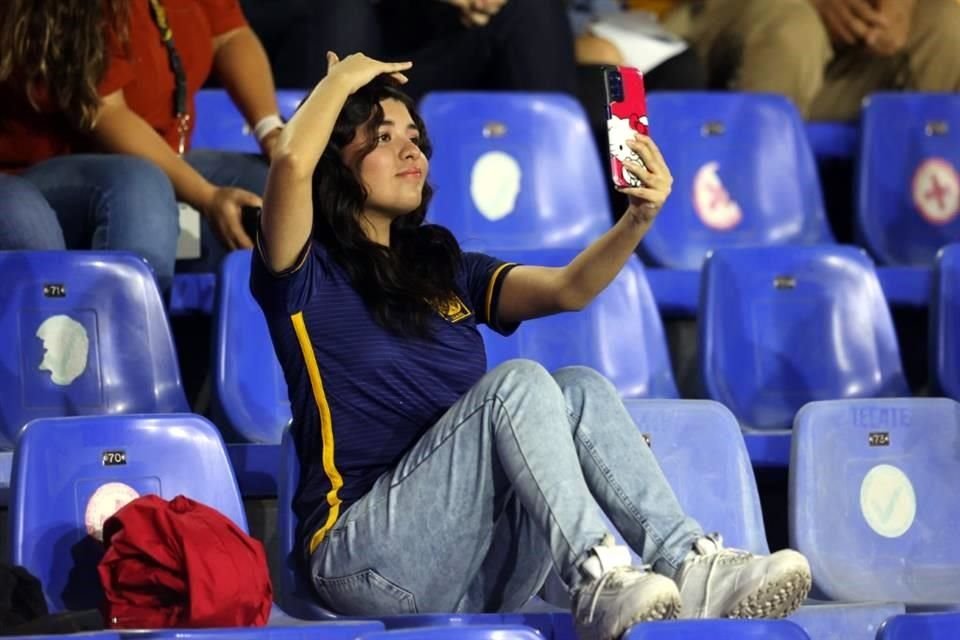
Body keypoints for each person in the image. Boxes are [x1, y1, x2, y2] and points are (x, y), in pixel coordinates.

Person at [251, 53, 812, 640]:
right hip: (364, 562)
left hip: (475, 563)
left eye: (414, 136)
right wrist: (340, 82)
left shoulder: (445, 269)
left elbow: (569, 289)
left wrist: (638, 220)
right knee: (514, 386)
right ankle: (596, 575)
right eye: (382, 138)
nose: (410, 151)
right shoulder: (304, 273)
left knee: (579, 388)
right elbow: (290, 161)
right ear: (338, 164)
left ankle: (689, 564)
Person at [0, 0, 284, 283]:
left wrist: (271, 130)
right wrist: (207, 197)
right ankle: (130, 325)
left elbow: (229, 35)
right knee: (140, 186)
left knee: (276, 186)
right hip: (40, 172)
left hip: (166, 155)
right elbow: (103, 111)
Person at [0, 0, 179, 292]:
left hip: (50, 175)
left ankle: (129, 332)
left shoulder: (82, 13)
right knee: (24, 218)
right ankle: (53, 329)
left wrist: (268, 127)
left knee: (139, 184)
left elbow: (105, 107)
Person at [653, 0, 960, 121]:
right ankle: (748, 211)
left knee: (949, 25)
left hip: (846, 67)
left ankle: (913, 219)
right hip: (725, 24)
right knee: (794, 26)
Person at [240, 0, 579, 101]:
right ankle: (322, 210)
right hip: (325, 54)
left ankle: (541, 208)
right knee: (345, 15)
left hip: (420, 57)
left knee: (532, 11)